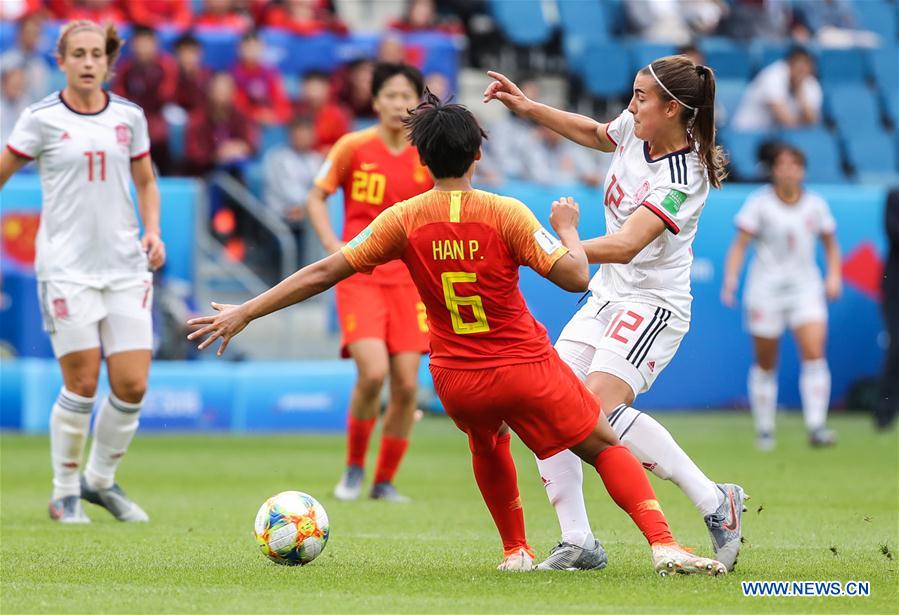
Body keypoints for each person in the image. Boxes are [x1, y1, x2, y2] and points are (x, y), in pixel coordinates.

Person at [186, 91, 727, 577]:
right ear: (478, 155)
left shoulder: (403, 218)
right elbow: (574, 278)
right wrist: (565, 230)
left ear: (421, 160)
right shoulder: (505, 213)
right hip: (522, 365)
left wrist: (247, 311)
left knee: (487, 441)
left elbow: (325, 271)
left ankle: (517, 550)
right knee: (601, 443)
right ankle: (664, 544)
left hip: (455, 375)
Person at [483, 57, 746, 572]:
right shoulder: (635, 130)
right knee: (545, 401)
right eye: (632, 92)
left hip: (652, 305)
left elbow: (627, 245)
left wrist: (564, 241)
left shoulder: (683, 176)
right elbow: (595, 131)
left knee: (594, 409)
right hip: (605, 296)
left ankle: (715, 501)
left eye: (641, 97)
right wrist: (529, 107)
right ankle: (578, 539)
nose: (630, 105)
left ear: (672, 109)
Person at [0, 19, 166, 523]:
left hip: (124, 266)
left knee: (133, 383)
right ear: (62, 60)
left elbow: (145, 180)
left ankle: (99, 480)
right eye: (79, 54)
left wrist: (152, 230)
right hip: (67, 269)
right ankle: (64, 491)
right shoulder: (40, 118)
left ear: (109, 62)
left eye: (97, 54)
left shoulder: (129, 117)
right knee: (82, 382)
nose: (89, 62)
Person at [306, 63, 432, 502]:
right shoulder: (352, 146)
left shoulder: (427, 151)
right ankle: (354, 469)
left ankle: (384, 481)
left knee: (406, 385)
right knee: (374, 372)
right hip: (360, 274)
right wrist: (330, 242)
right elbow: (316, 195)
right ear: (375, 100)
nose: (400, 104)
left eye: (408, 96)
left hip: (412, 280)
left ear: (420, 103)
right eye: (392, 95)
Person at [722, 143, 841, 449]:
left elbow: (830, 243)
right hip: (766, 290)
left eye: (794, 165)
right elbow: (740, 245)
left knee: (814, 351)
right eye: (782, 165)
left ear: (802, 170)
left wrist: (833, 275)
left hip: (805, 288)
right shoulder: (760, 204)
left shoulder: (815, 205)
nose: (788, 171)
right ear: (774, 170)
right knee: (765, 361)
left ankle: (816, 426)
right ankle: (765, 429)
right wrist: (731, 280)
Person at [113, 25, 177, 175]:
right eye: (139, 44)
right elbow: (119, 96)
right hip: (133, 116)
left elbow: (167, 95)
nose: (142, 49)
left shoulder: (166, 65)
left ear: (155, 45)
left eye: (146, 43)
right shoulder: (126, 68)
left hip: (158, 114)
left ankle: (168, 174)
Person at [262, 114, 324, 268]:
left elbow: (322, 190)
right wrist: (306, 208)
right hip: (280, 219)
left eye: (307, 133)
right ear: (291, 134)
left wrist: (306, 210)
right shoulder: (276, 158)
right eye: (299, 133)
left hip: (307, 217)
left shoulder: (317, 159)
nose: (303, 137)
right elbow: (286, 192)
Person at [731, 46, 822, 132]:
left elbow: (812, 122)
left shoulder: (810, 83)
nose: (803, 70)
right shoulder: (772, 76)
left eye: (807, 65)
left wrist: (801, 93)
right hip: (748, 132)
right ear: (789, 63)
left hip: (775, 137)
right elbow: (787, 121)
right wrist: (803, 122)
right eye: (800, 65)